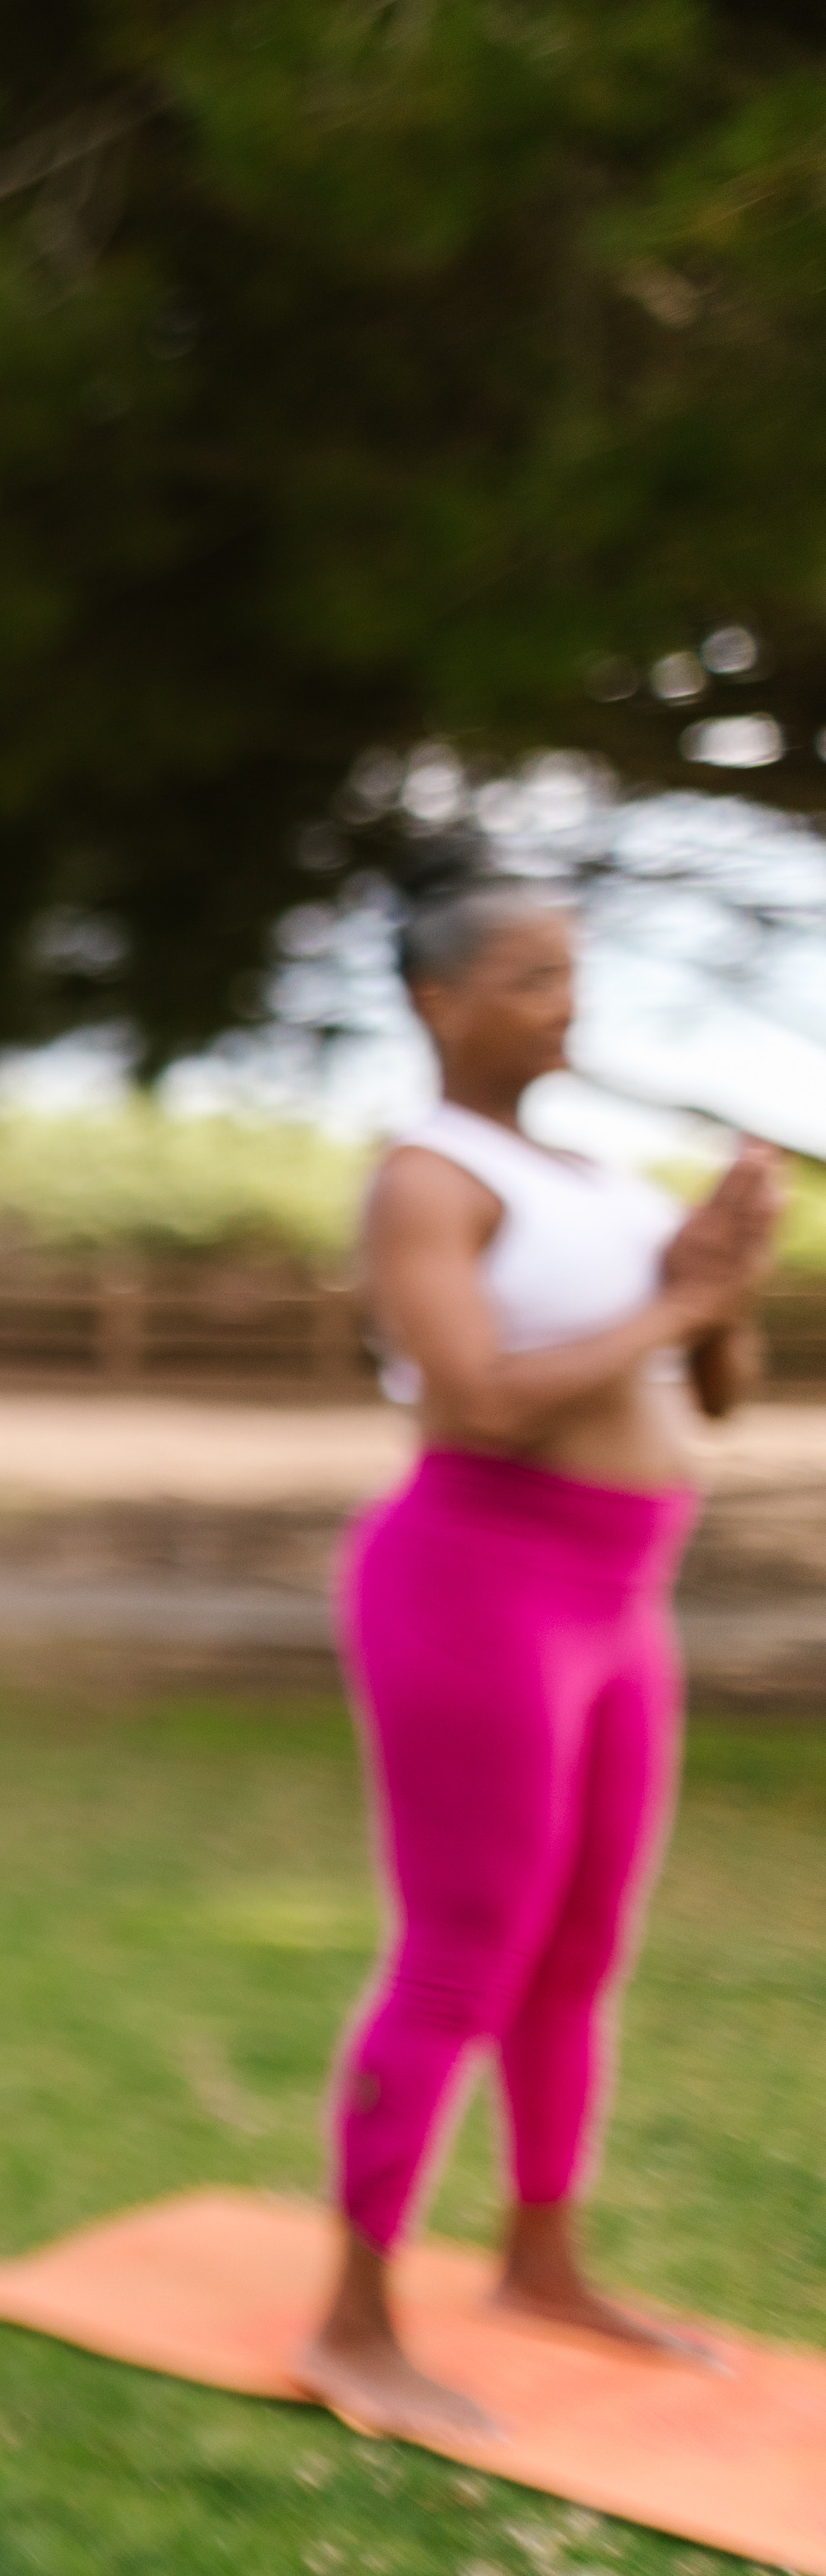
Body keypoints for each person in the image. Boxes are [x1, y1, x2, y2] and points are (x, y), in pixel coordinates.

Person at [294, 863, 779, 2441]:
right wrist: (677, 1301)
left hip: (622, 1597)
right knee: (461, 1951)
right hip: (475, 1579)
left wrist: (723, 1279)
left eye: (570, 972)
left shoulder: (604, 1174)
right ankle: (353, 2322)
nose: (562, 1000)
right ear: (439, 1001)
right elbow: (480, 1398)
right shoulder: (427, 1179)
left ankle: (543, 2262)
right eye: (524, 974)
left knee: (581, 1954)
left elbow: (719, 1394)